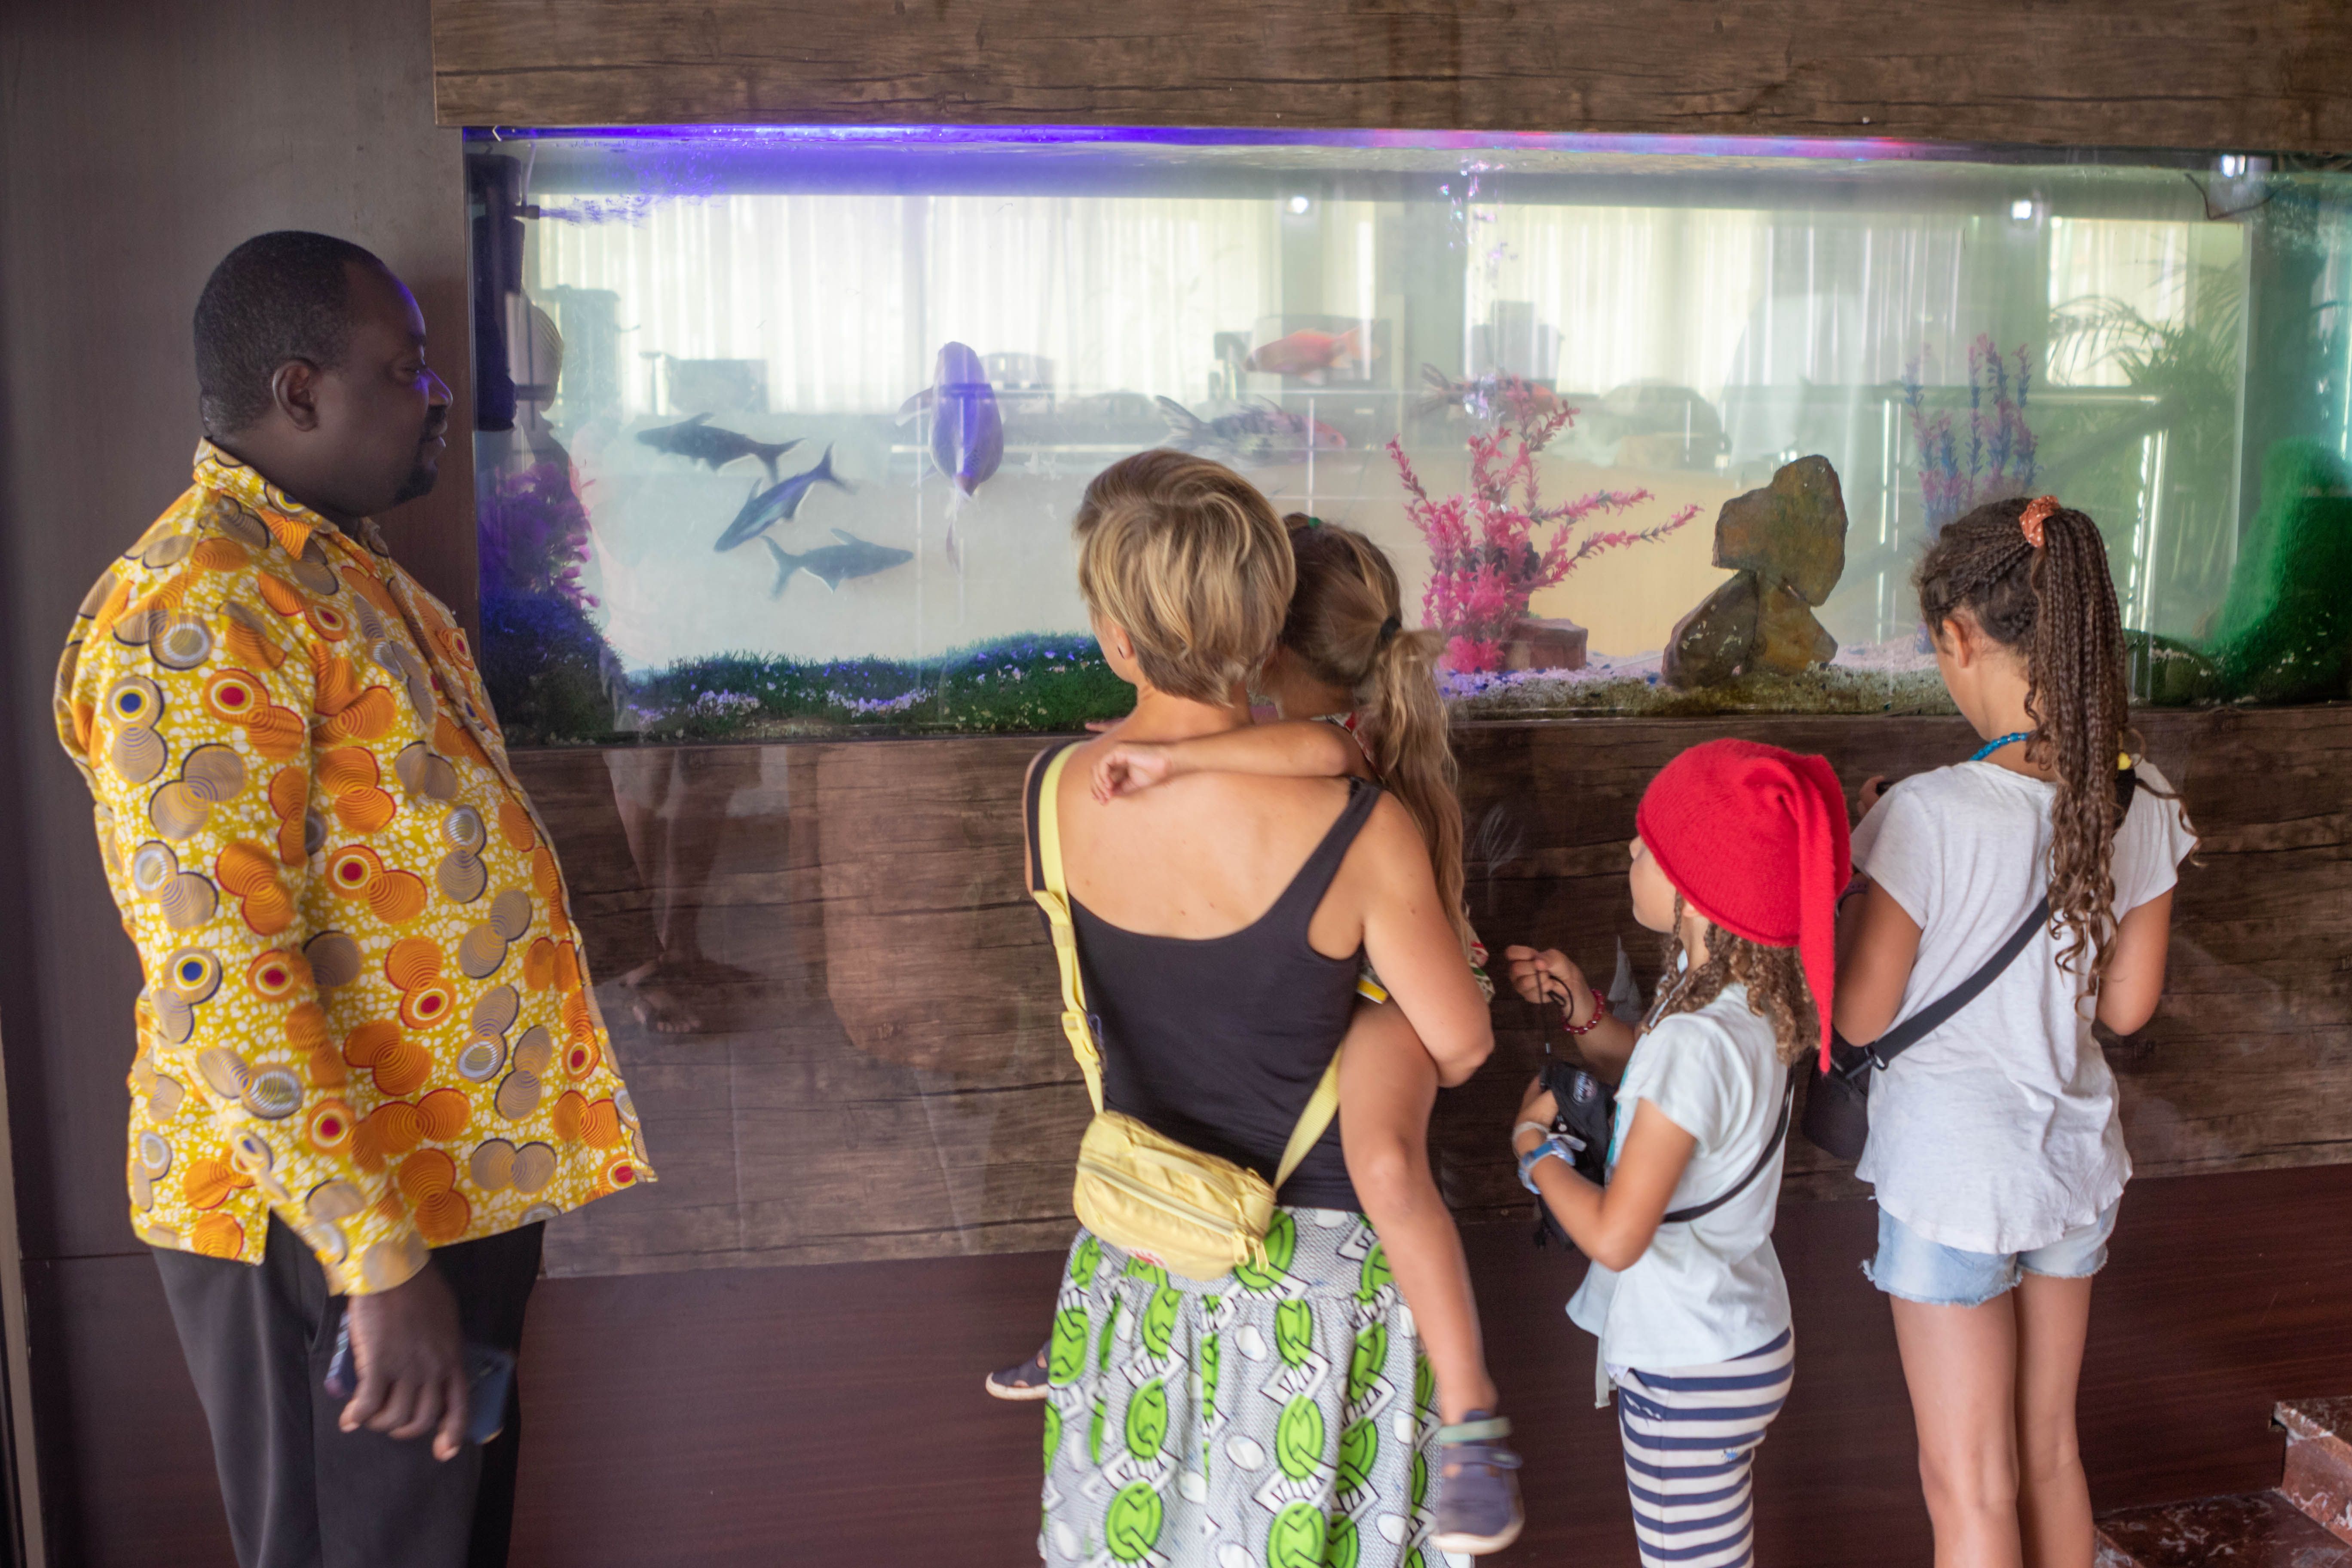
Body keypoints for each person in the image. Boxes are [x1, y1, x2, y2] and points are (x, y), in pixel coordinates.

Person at [53, 231, 654, 1568]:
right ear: (299, 391)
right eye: (407, 367)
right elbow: (220, 968)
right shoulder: (198, 607)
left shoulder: (335, 567)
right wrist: (373, 1257)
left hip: (431, 1187)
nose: (437, 394)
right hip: (325, 1223)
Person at [1025, 451, 1495, 1568]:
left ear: (1117, 639)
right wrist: (1384, 1030)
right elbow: (1465, 1043)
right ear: (1264, 625)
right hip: (1314, 1294)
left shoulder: (1058, 790)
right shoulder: (1358, 824)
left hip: (1141, 1258)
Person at [1833, 495, 2196, 1568]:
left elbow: (1860, 1014)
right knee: (2049, 1455)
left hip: (1954, 1180)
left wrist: (1863, 873)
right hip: (2072, 1168)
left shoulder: (1924, 814)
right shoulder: (2144, 796)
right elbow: (2125, 1009)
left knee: (1971, 1488)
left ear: (1957, 638)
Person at [1505, 738, 1852, 1568]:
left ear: (1695, 892)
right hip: (1739, 1334)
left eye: (1648, 844)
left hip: (1686, 1364)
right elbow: (1661, 1085)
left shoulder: (1693, 1040)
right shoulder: (1741, 1002)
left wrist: (1532, 1149)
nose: (1631, 848)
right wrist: (1586, 1008)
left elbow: (1617, 1236)